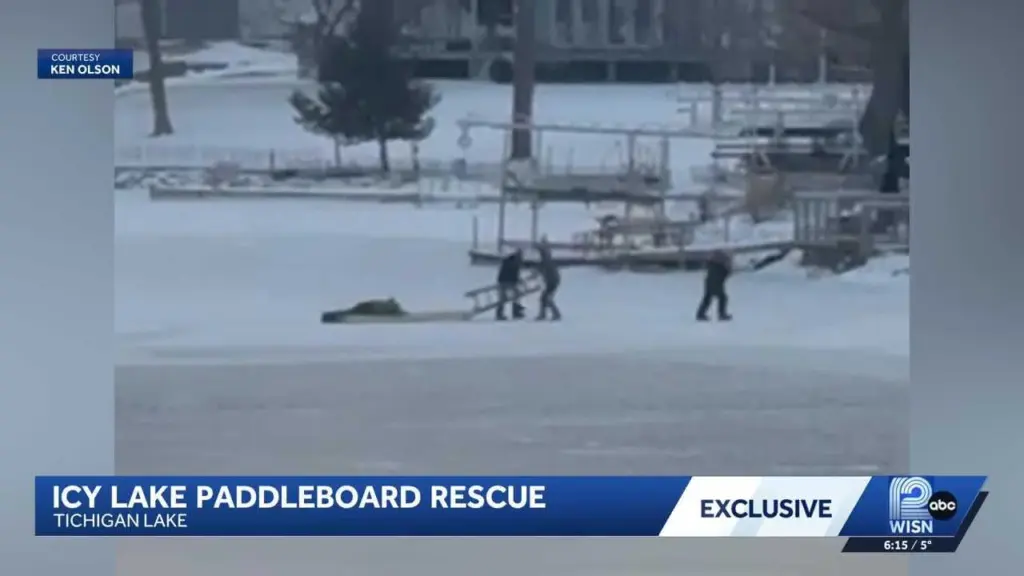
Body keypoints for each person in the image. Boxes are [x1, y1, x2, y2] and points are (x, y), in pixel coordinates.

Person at [697, 250, 732, 321]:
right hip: (716, 283)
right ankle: (722, 314)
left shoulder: (712, 265)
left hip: (709, 282)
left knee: (708, 298)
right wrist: (728, 270)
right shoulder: (720, 267)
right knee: (722, 298)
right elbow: (725, 274)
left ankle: (700, 314)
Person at [535, 237, 561, 321]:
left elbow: (544, 268)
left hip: (552, 280)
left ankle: (555, 314)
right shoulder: (546, 257)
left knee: (546, 298)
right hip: (552, 280)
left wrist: (539, 271)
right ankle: (545, 314)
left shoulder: (546, 258)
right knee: (544, 298)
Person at [495, 248, 524, 320]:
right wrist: (517, 280)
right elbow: (513, 273)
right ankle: (515, 312)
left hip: (503, 280)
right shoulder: (514, 262)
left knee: (505, 297)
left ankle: (501, 313)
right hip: (507, 280)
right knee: (515, 295)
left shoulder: (509, 260)